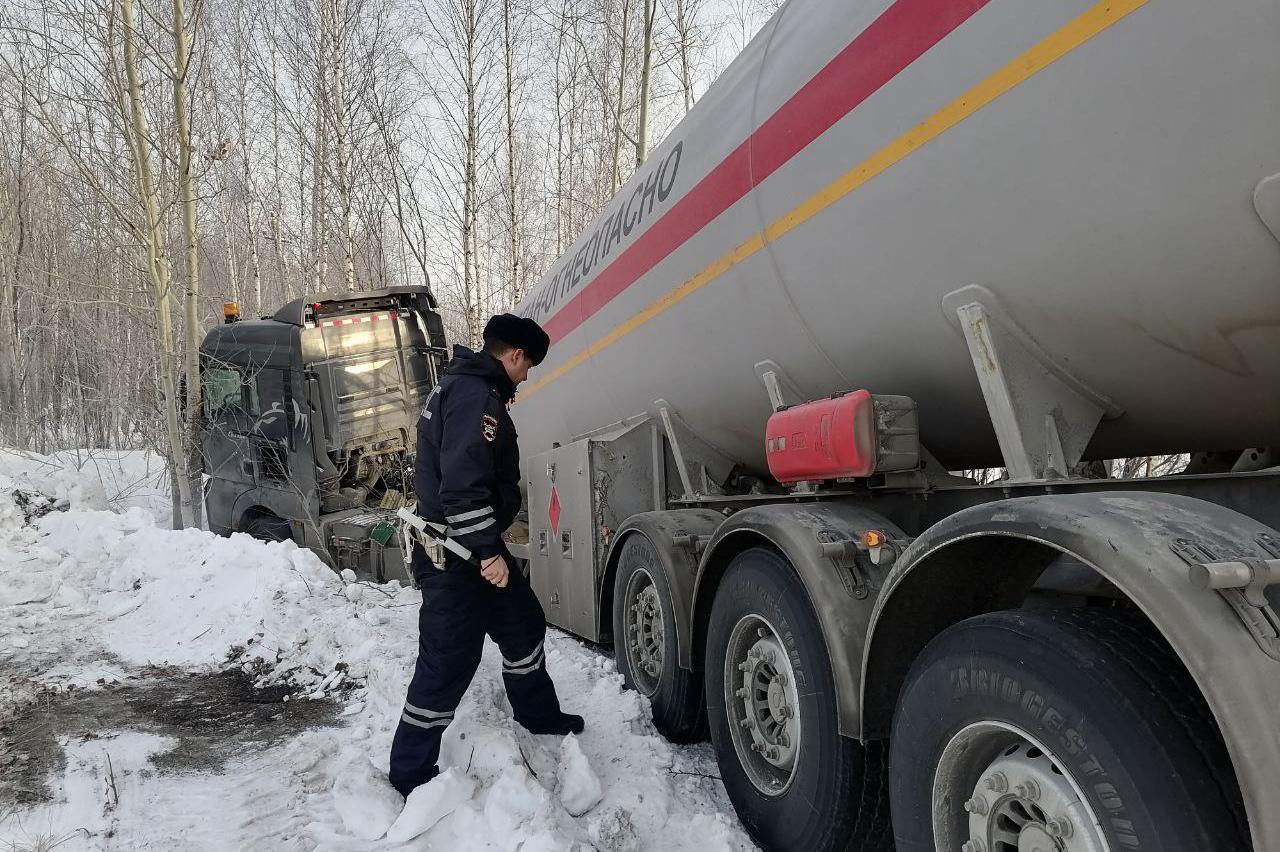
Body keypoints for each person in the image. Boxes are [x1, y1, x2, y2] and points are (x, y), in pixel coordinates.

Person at [388, 313, 583, 798]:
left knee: (522, 624)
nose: (526, 376)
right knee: (448, 660)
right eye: (528, 366)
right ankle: (410, 773)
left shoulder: (469, 387)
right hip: (457, 554)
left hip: (471, 547)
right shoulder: (476, 397)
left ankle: (538, 716)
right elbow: (462, 489)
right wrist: (489, 553)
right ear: (514, 355)